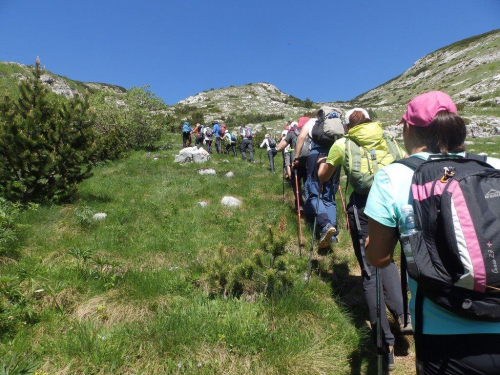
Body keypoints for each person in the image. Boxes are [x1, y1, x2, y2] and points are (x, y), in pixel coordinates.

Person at [365, 91, 500, 375]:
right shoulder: (494, 165)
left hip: (445, 333)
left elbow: (379, 258)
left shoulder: (394, 176)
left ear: (408, 129)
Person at [318, 108, 408, 371]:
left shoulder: (343, 143)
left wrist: (324, 163)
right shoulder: (386, 136)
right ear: (369, 120)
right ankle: (404, 317)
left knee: (370, 269)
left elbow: (324, 176)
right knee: (389, 259)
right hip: (395, 203)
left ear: (347, 125)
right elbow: (405, 161)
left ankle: (384, 344)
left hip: (365, 207)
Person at [294, 116, 340, 248]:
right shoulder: (336, 122)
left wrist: (297, 157)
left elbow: (301, 138)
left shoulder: (312, 122)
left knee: (314, 192)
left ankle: (326, 225)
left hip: (315, 155)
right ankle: (333, 236)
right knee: (329, 195)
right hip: (334, 154)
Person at [277, 120, 306, 211]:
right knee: (309, 184)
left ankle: (299, 203)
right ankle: (311, 206)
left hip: (296, 163)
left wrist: (283, 138)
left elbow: (279, 148)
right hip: (309, 163)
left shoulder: (292, 133)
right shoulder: (311, 132)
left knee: (296, 184)